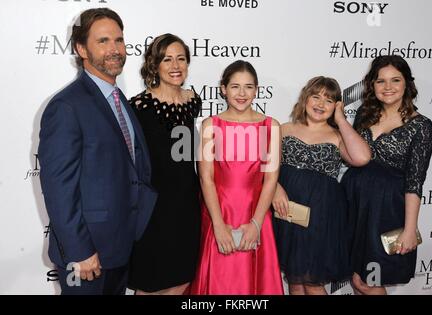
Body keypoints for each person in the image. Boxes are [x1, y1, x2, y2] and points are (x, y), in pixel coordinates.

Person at [38, 8, 157, 295]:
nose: (114, 49)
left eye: (119, 40)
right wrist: (80, 251)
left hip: (119, 248)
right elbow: (58, 189)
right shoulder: (66, 107)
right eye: (103, 41)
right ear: (81, 48)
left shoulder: (120, 101)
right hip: (86, 256)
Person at [341, 55, 432, 295]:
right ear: (372, 85)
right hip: (355, 205)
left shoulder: (420, 126)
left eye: (395, 80)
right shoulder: (365, 113)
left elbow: (415, 181)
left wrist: (410, 228)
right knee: (357, 277)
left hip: (386, 212)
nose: (388, 87)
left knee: (370, 281)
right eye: (380, 81)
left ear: (407, 84)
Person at [190, 60, 284, 295]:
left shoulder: (270, 126)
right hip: (218, 214)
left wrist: (256, 224)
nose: (242, 94)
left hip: (257, 215)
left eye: (248, 87)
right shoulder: (211, 125)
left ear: (257, 90)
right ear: (223, 89)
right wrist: (219, 225)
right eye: (235, 86)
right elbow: (206, 179)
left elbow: (271, 180)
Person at [271, 76, 371, 295]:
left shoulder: (337, 135)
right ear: (305, 99)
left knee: (312, 282)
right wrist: (275, 189)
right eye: (315, 97)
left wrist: (342, 120)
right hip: (286, 209)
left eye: (328, 100)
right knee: (295, 280)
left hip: (321, 215)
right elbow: (268, 167)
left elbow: (362, 157)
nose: (320, 104)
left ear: (336, 106)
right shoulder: (284, 128)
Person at [127, 33, 202, 295]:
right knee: (150, 283)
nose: (175, 66)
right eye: (167, 59)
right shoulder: (138, 106)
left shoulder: (193, 101)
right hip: (154, 207)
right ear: (154, 64)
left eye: (181, 58)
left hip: (187, 203)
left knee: (182, 278)